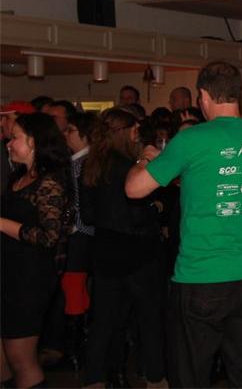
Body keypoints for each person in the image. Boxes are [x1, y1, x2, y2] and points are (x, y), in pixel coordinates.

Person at [125, 61, 242, 388]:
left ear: (204, 95)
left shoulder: (191, 140)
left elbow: (134, 189)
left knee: (190, 374)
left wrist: (146, 157)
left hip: (201, 276)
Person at [80, 108, 166, 388]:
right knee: (148, 320)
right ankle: (155, 378)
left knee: (103, 322)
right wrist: (155, 209)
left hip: (105, 251)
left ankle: (94, 379)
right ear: (127, 132)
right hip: (138, 252)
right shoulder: (130, 166)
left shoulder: (91, 165)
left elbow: (88, 215)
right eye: (134, 130)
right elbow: (137, 215)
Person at [0, 113, 71, 388]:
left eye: (14, 137)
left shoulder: (49, 182)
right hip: (10, 271)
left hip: (29, 278)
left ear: (34, 142)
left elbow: (48, 237)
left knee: (21, 359)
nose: (8, 143)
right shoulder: (19, 177)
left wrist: (2, 224)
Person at [60, 111, 98, 372]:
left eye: (71, 130)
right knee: (80, 291)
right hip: (87, 237)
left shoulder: (80, 164)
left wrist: (73, 228)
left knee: (74, 290)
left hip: (79, 237)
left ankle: (75, 352)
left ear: (85, 135)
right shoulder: (87, 162)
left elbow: (79, 206)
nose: (66, 135)